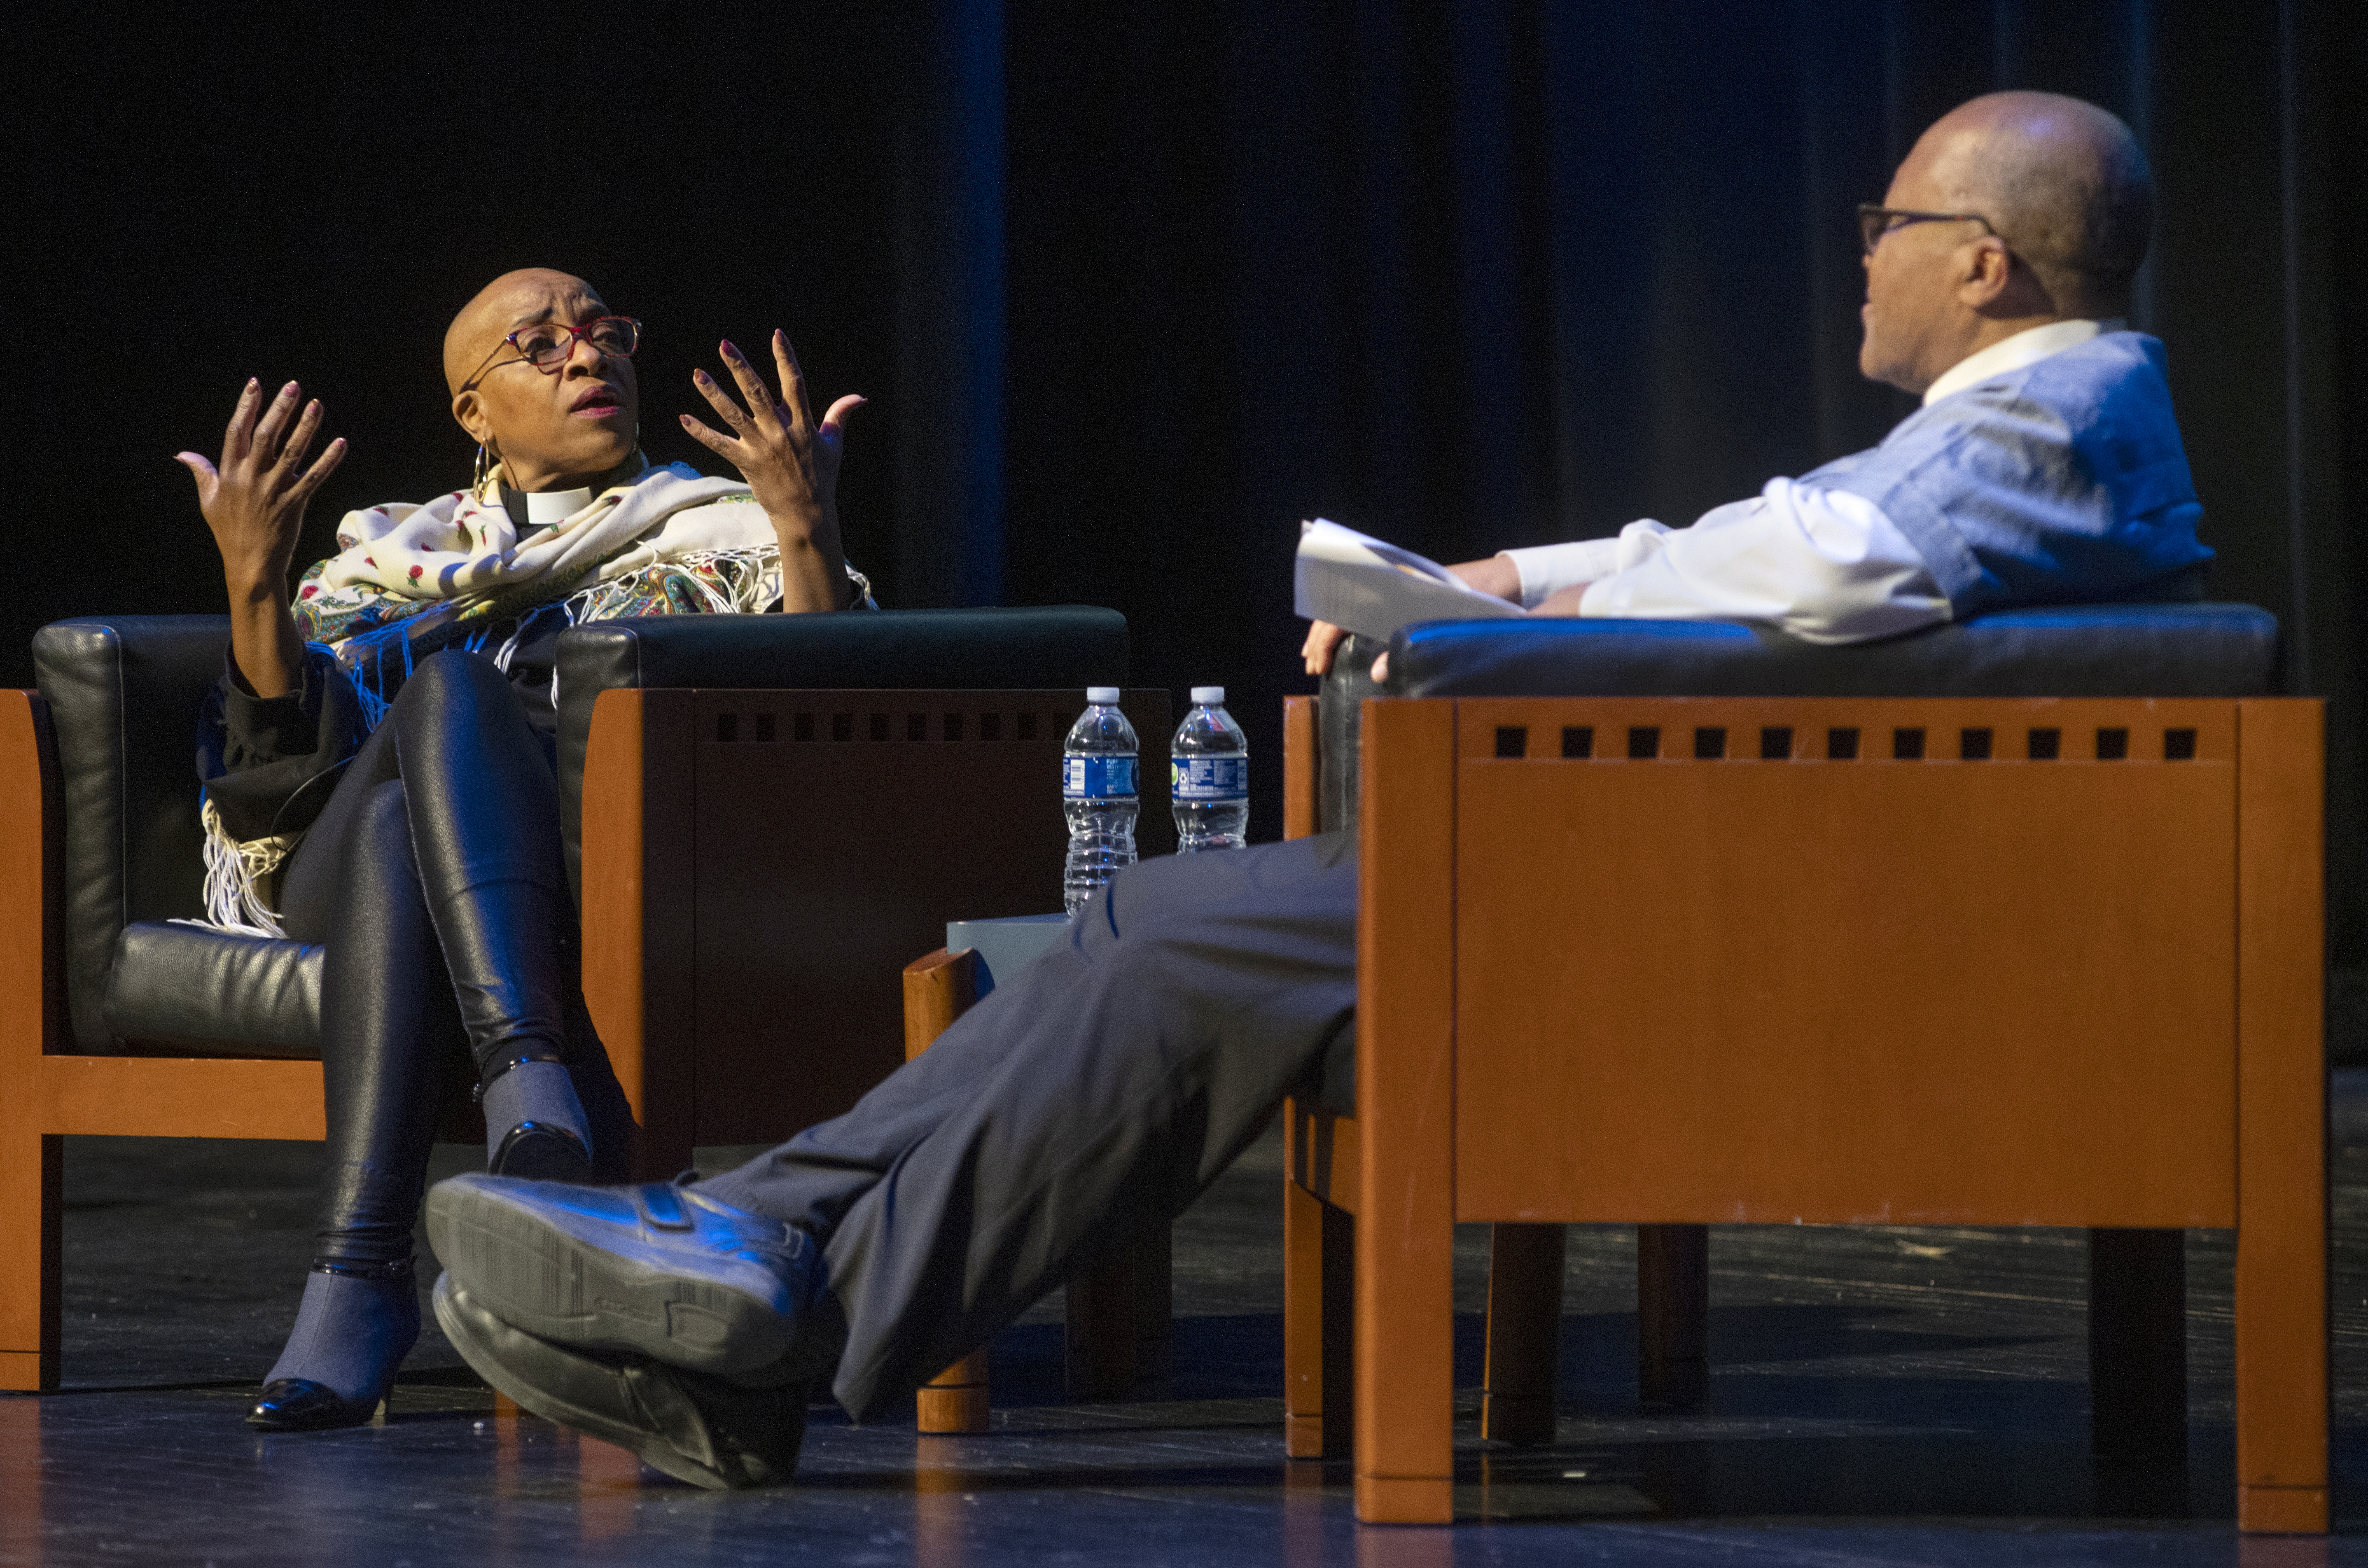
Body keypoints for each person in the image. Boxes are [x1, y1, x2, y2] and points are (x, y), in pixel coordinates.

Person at [420, 91, 2208, 1488]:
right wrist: (1520, 578)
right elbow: (1784, 543)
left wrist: (1480, 627)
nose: (1863, 256)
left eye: (1887, 226)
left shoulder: (2050, 414)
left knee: (1176, 928)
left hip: (1741, 948)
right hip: (1733, 902)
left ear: (1982, 260)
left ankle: (766, 1280)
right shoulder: (2037, 424)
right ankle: (760, 1285)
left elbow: (1816, 574)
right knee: (1166, 912)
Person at [183, 266, 872, 1432]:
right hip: (336, 878)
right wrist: (255, 582)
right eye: (541, 345)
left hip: (598, 878)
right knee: (443, 698)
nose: (586, 356)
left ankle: (358, 1277)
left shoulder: (721, 527)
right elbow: (279, 798)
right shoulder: (377, 562)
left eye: (604, 333)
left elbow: (811, 740)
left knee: (414, 819)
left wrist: (807, 528)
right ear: (473, 412)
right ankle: (528, 1079)